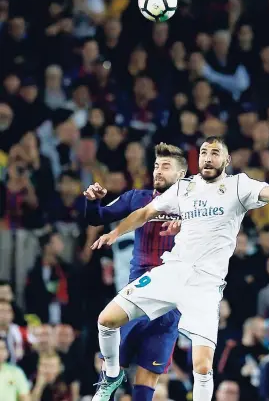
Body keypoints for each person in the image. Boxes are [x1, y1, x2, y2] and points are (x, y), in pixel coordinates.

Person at [91, 136, 269, 401]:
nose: (207, 157)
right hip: (172, 271)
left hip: (205, 286)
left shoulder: (239, 186)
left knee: (203, 367)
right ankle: (112, 376)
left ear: (226, 160)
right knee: (106, 320)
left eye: (215, 152)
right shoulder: (185, 187)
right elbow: (145, 212)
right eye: (204, 152)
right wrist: (115, 233)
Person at [84, 143, 187, 401]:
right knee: (109, 339)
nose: (158, 171)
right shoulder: (137, 199)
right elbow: (98, 218)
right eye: (155, 166)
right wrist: (93, 202)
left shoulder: (193, 207)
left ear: (181, 174)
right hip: (138, 289)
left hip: (170, 300)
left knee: (147, 380)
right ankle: (109, 378)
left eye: (166, 166)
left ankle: (110, 378)